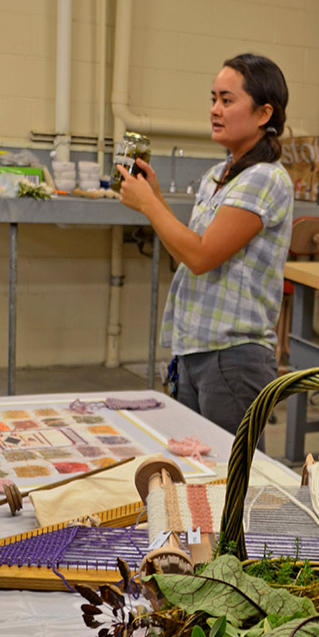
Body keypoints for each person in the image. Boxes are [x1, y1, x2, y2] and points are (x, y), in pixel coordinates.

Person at [117, 53, 294, 437]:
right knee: (196, 470)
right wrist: (157, 199)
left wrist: (148, 205)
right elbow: (193, 245)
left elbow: (200, 257)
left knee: (229, 479)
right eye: (213, 98)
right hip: (196, 347)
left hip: (233, 356)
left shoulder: (266, 179)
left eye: (227, 101)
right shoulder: (220, 174)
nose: (215, 110)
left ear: (264, 114)